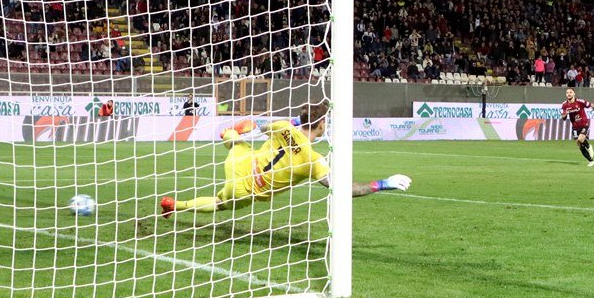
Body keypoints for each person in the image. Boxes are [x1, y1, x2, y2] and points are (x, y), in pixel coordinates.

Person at [160, 104, 410, 216]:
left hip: (240, 162)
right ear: (321, 125)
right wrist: (383, 183)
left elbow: (260, 126)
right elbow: (344, 190)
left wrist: (242, 129)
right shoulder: (314, 160)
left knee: (238, 140)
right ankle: (177, 206)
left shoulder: (281, 126)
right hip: (246, 189)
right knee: (219, 204)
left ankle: (227, 135)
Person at [560, 86, 594, 166]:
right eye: (567, 93)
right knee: (579, 143)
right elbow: (564, 118)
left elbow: (593, 105)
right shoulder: (564, 105)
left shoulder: (580, 101)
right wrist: (564, 115)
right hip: (575, 126)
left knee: (580, 138)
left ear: (574, 93)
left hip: (584, 124)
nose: (568, 94)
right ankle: (591, 161)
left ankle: (589, 146)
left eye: (570, 92)